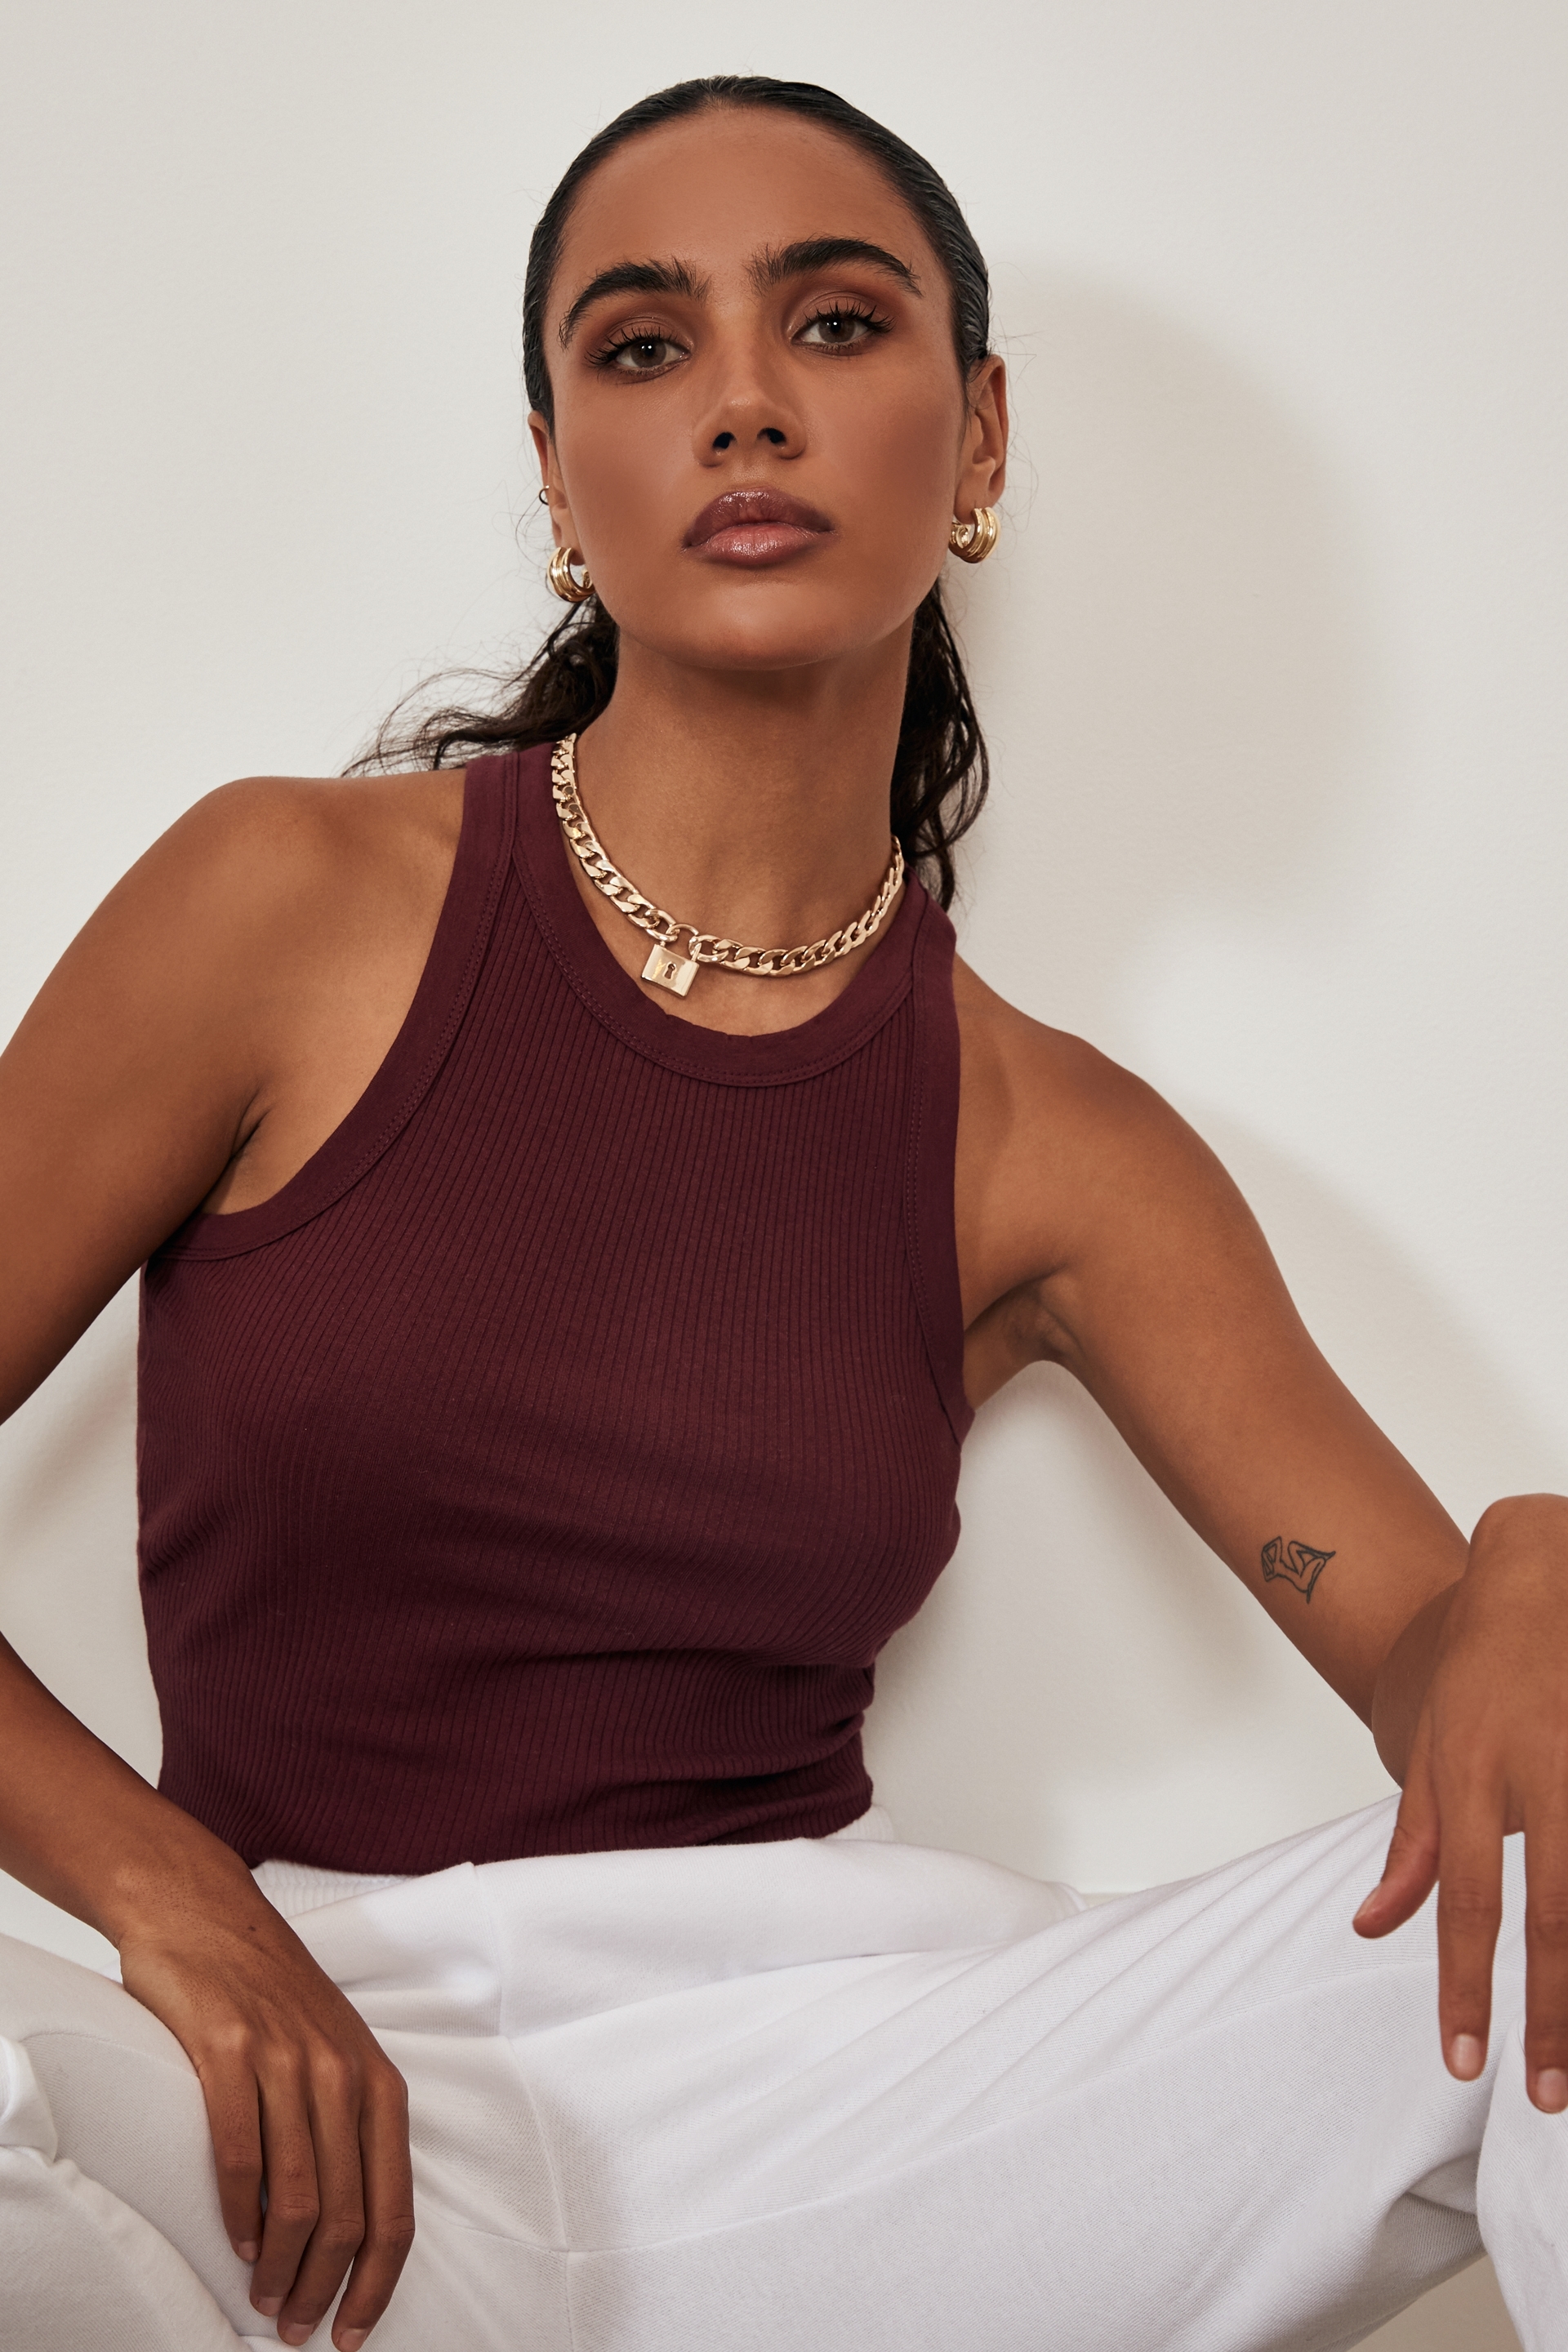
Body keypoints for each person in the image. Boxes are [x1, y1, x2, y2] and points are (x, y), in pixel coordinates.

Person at [0, 72, 1562, 2352]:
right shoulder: (284, 907)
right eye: (645, 347)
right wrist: (175, 1901)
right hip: (284, 2088)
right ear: (559, 476)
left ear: (981, 436)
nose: (744, 401)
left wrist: (1530, 1561)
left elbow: (1447, 1673)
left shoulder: (1048, 1140)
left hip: (840, 2114)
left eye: (835, 323)